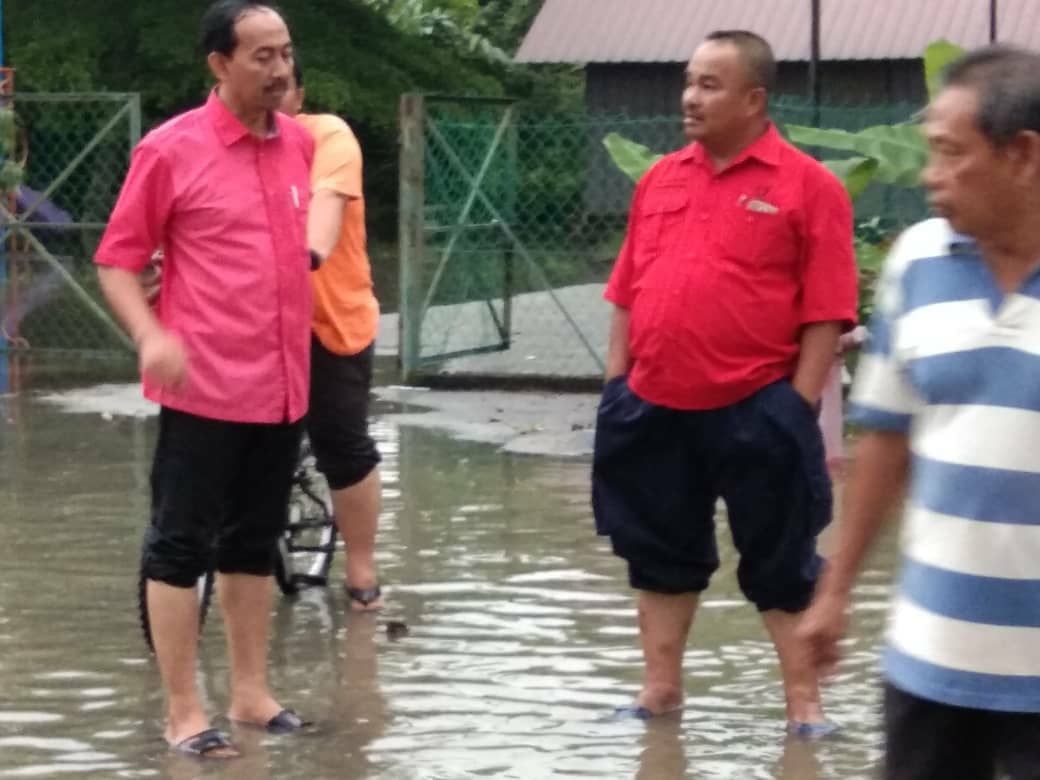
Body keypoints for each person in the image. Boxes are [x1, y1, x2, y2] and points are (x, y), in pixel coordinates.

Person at [592, 30, 858, 734]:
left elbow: (828, 312)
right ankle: (659, 693)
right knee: (656, 555)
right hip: (651, 406)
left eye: (710, 84)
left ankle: (805, 708)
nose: (689, 97)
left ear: (754, 99)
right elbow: (626, 289)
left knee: (783, 564)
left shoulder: (810, 186)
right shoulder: (660, 179)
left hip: (757, 407)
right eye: (688, 81)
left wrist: (793, 408)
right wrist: (618, 385)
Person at [800, 45, 1040, 779]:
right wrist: (834, 591)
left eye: (948, 153)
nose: (928, 176)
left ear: (1023, 155)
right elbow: (886, 441)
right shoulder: (916, 260)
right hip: (930, 662)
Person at [95, 0, 315, 758]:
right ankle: (184, 709)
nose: (280, 69)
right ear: (220, 66)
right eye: (261, 56)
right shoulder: (169, 150)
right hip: (205, 386)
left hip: (285, 385)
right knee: (179, 547)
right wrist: (151, 334)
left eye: (284, 52)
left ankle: (252, 693)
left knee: (255, 542)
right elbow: (118, 261)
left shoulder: (299, 146)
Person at [279, 61, 384, 611]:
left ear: (301, 95)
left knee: (341, 442)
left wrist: (306, 253)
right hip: (255, 321)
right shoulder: (219, 145)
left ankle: (362, 569)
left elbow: (328, 200)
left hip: (331, 318)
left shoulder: (328, 136)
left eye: (284, 84)